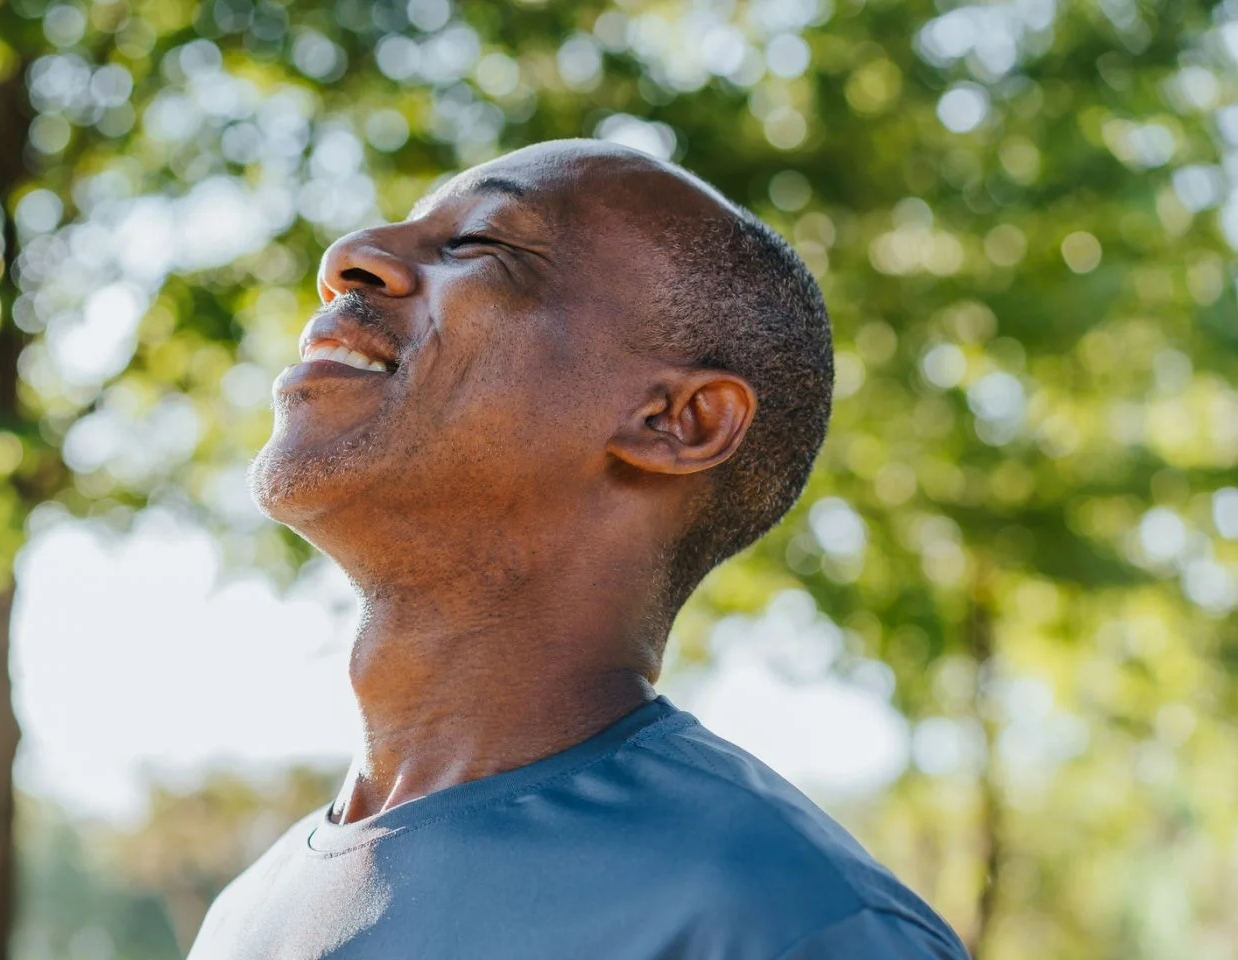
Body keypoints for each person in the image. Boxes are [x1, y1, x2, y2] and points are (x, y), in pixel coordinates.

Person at [186, 140, 970, 960]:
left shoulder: (789, 923)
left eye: (480, 245)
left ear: (676, 421)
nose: (350, 257)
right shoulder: (244, 918)